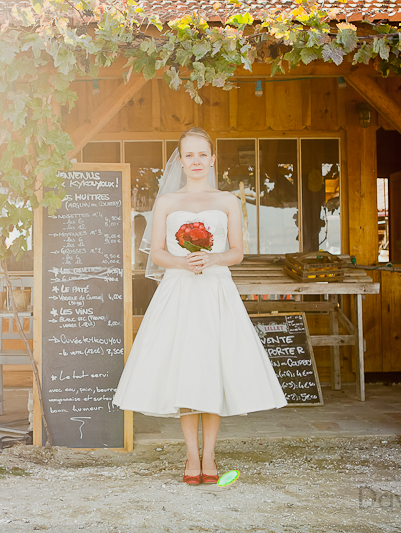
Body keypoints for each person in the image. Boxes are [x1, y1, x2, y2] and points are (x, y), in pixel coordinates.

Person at [113, 127, 287, 485]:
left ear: (212, 160)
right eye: (188, 155)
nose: (195, 161)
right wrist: (182, 263)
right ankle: (191, 455)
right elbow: (158, 252)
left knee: (213, 367)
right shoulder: (166, 203)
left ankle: (210, 456)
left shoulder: (227, 201)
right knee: (185, 368)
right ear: (180, 160)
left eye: (201, 155)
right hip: (179, 291)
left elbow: (237, 252)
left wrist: (213, 258)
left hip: (215, 290)